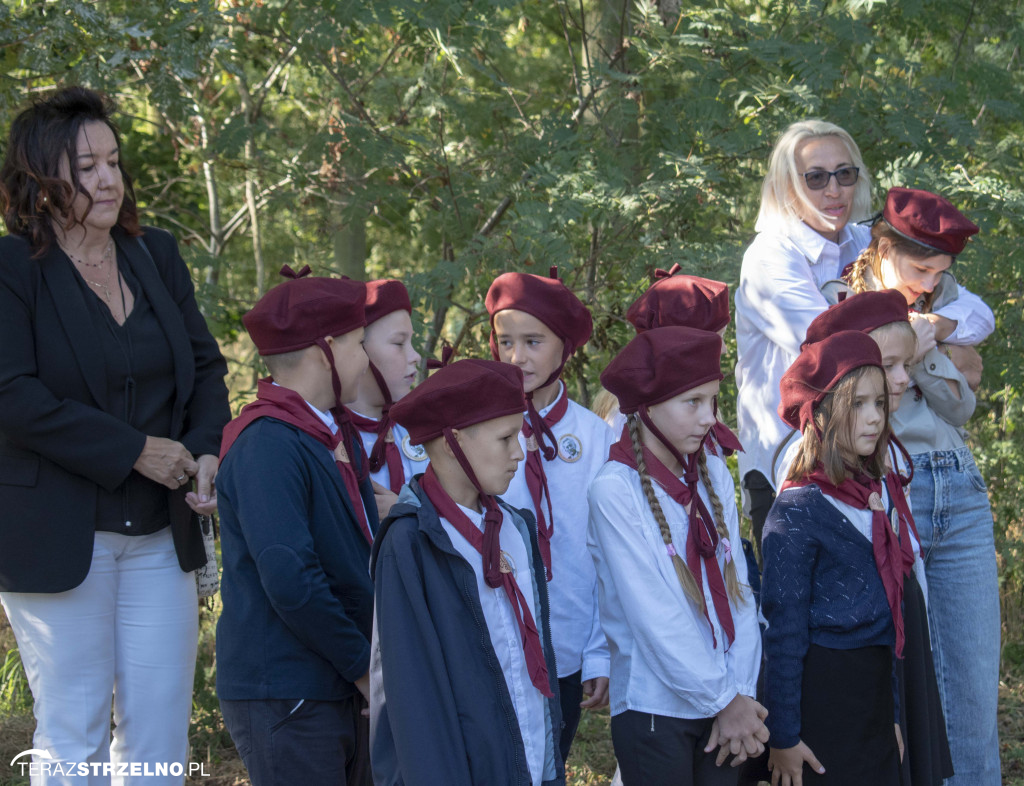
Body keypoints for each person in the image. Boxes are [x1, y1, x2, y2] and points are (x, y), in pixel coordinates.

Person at [0, 86, 230, 783]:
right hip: (56, 537)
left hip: (162, 537)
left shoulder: (154, 254)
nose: (107, 179)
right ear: (42, 179)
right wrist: (134, 450)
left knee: (161, 734)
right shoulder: (12, 270)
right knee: (74, 732)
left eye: (112, 161)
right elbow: (11, 394)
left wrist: (209, 448)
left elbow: (204, 365)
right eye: (86, 166)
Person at [734, 120, 989, 560]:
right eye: (815, 177)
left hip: (872, 469)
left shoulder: (864, 242)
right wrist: (926, 345)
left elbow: (978, 315)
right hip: (795, 471)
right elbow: (841, 353)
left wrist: (934, 329)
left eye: (844, 174)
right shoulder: (770, 257)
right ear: (787, 185)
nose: (833, 189)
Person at [836, 187, 1000, 786]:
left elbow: (959, 408)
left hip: (957, 489)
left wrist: (919, 341)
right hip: (884, 489)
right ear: (881, 249)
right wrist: (923, 343)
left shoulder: (950, 302)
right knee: (900, 682)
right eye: (919, 267)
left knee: (974, 686)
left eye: (941, 272)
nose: (930, 282)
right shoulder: (837, 303)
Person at [215, 267, 376, 786]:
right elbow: (291, 578)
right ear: (323, 349)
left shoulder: (323, 435)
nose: (367, 358)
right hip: (287, 687)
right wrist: (362, 669)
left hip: (333, 681)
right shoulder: (269, 444)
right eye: (358, 344)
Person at [369, 358, 564, 786]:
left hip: (527, 762)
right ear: (454, 440)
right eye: (506, 437)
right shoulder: (410, 544)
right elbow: (414, 699)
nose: (520, 451)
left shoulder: (515, 527)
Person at [589, 326, 765, 786]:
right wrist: (724, 699)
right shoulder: (614, 490)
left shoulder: (711, 473)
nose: (709, 417)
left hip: (728, 702)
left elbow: (739, 589)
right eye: (693, 403)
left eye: (713, 401)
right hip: (656, 707)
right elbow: (655, 617)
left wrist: (741, 692)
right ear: (646, 408)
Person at [801, 290, 953, 785]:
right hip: (853, 661)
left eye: (905, 364)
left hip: (900, 638)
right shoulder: (815, 461)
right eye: (888, 365)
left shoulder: (883, 451)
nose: (904, 378)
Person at [762, 330, 913, 786]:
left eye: (879, 404)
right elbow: (783, 633)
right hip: (823, 699)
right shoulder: (799, 509)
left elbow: (887, 618)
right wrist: (783, 737)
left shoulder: (875, 494)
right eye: (858, 404)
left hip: (873, 701)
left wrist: (891, 715)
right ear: (822, 415)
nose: (873, 418)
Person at [485, 268, 612, 762]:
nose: (517, 357)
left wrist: (600, 650)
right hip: (497, 640)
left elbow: (608, 554)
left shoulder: (596, 439)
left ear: (565, 347)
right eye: (506, 341)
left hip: (568, 638)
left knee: (550, 759)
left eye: (533, 341)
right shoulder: (474, 435)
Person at [347, 278, 425, 517]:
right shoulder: (331, 437)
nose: (416, 356)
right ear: (358, 349)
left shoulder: (425, 429)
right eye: (399, 343)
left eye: (411, 342)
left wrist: (407, 511)